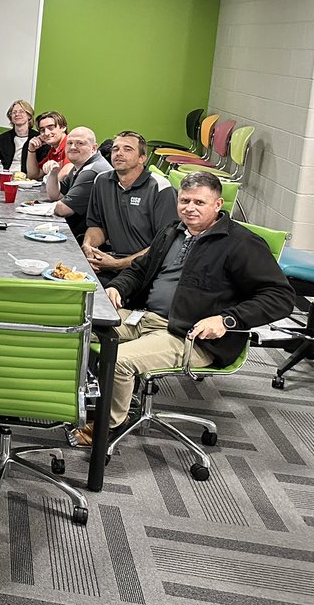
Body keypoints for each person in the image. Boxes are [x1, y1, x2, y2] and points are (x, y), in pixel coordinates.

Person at [71, 172, 296, 445]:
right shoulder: (173, 231)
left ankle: (109, 425)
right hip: (144, 317)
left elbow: (280, 297)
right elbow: (140, 270)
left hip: (188, 334)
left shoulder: (241, 243)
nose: (190, 208)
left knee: (119, 361)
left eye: (199, 202)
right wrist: (118, 287)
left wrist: (227, 320)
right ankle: (96, 401)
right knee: (76, 328)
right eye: (185, 201)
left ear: (218, 204)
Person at [82, 130, 177, 276]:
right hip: (112, 261)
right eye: (115, 149)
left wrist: (118, 264)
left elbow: (163, 246)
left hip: (146, 269)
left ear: (142, 158)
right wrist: (88, 246)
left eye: (127, 149)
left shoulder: (160, 187)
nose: (119, 153)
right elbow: (97, 226)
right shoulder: (101, 181)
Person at [43, 126, 111, 239]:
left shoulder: (91, 170)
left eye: (80, 143)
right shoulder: (80, 165)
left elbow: (64, 209)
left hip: (90, 238)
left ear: (94, 148)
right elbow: (55, 195)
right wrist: (53, 173)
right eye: (69, 143)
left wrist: (36, 208)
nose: (73, 147)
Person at [0, 99, 37, 173]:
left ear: (29, 115)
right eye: (14, 112)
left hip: (28, 177)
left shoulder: (38, 139)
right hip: (4, 176)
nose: (17, 114)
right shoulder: (0, 139)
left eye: (21, 111)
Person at [25, 110, 68, 180]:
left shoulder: (70, 145)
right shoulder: (53, 151)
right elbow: (34, 175)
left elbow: (65, 175)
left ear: (63, 127)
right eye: (42, 130)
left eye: (51, 128)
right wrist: (31, 149)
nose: (46, 133)